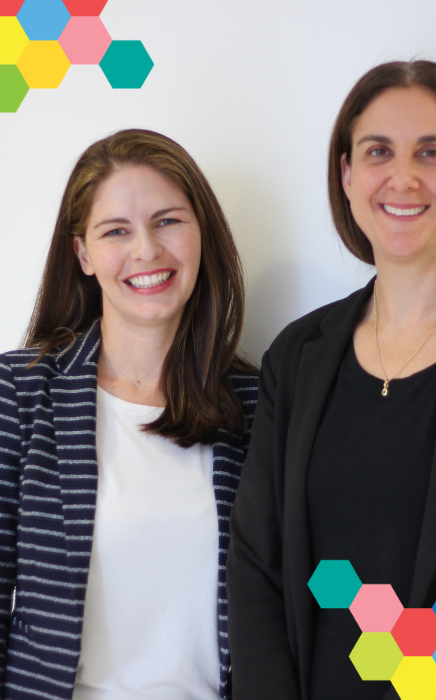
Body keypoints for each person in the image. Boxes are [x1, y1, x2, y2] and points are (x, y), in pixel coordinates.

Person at [227, 60, 436, 700]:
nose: (402, 177)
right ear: (348, 176)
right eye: (378, 151)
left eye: (431, 151)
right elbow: (256, 561)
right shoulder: (297, 355)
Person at [0, 128, 258, 700]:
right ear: (83, 253)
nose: (146, 250)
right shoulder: (18, 393)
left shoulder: (259, 405)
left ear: (202, 234)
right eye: (117, 230)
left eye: (167, 221)